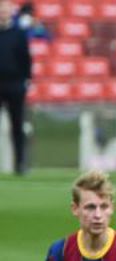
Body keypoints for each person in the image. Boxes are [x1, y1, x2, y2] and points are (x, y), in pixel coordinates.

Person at [0, 0, 31, 175]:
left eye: (5, 10)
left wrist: (26, 79)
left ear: (11, 12)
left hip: (15, 85)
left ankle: (20, 164)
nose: (2, 13)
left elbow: (26, 59)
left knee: (17, 126)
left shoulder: (19, 34)